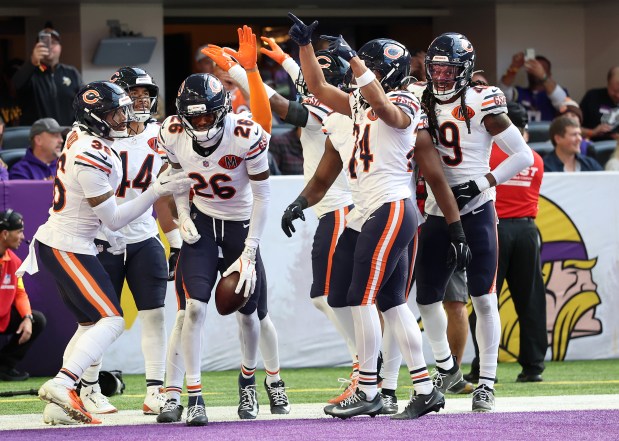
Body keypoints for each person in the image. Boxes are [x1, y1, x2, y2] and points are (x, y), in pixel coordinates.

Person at [287, 14, 470, 420]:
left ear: (380, 72)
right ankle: (424, 387)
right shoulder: (357, 100)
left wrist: (355, 62)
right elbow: (316, 87)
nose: (354, 77)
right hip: (368, 210)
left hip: (390, 208)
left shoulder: (404, 100)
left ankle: (369, 388)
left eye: (362, 69)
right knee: (386, 302)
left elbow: (385, 109)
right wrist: (304, 48)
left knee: (359, 297)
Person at [16, 81, 192, 425]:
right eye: (115, 113)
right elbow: (113, 220)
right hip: (70, 243)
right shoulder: (91, 151)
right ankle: (64, 384)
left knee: (91, 324)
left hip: (78, 242)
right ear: (94, 118)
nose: (124, 118)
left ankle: (57, 406)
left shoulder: (91, 141)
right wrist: (157, 189)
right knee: (111, 320)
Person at [203, 39, 359, 405]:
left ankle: (365, 365)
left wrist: (241, 70)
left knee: (330, 297)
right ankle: (368, 363)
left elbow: (279, 104)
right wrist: (287, 59)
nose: (306, 78)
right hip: (334, 207)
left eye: (316, 73)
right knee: (335, 298)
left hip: (340, 207)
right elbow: (308, 83)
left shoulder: (333, 112)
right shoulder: (336, 100)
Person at [156, 25, 289, 426]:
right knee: (192, 310)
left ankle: (250, 383)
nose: (199, 124)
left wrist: (249, 250)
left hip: (239, 226)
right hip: (201, 220)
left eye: (206, 115)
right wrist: (182, 214)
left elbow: (264, 196)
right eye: (192, 117)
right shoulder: (173, 131)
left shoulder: (245, 133)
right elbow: (178, 178)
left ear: (225, 109)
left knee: (248, 314)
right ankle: (191, 394)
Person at [416, 32, 533, 412]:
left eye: (448, 69)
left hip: (479, 208)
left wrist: (482, 182)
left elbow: (523, 155)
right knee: (427, 298)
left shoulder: (481, 100)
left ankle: (486, 383)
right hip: (436, 209)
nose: (440, 75)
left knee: (483, 297)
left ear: (464, 70)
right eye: (435, 68)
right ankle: (447, 367)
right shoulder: (419, 97)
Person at [72, 67, 176, 416]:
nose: (142, 99)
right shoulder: (93, 137)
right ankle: (88, 387)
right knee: (96, 319)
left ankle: (155, 390)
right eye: (134, 93)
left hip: (144, 235)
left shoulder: (162, 134)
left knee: (155, 315)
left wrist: (175, 239)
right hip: (103, 237)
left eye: (146, 94)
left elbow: (169, 192)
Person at [466, 101, 547, 383]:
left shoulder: (490, 155)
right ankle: (533, 366)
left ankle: (482, 366)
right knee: (531, 299)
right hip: (527, 231)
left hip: (495, 230)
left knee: (484, 297)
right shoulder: (535, 158)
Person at [0, 209, 46, 381]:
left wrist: (27, 317)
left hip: (3, 317)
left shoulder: (15, 262)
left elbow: (20, 293)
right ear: (5, 233)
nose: (22, 236)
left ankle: (4, 366)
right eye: (19, 232)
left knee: (37, 319)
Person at [12, 25, 82, 126]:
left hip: (67, 135)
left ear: (60, 48)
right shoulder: (29, 72)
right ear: (36, 47)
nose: (50, 46)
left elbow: (84, 101)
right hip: (39, 137)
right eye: (45, 43)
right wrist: (32, 62)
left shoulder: (71, 72)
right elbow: (15, 85)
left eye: (54, 42)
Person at [499, 52, 568, 122]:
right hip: (523, 132)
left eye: (541, 68)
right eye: (534, 67)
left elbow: (563, 103)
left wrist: (543, 76)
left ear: (549, 74)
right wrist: (514, 67)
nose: (536, 71)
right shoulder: (520, 92)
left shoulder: (556, 92)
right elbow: (502, 91)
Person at [580, 66, 619, 141]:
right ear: (608, 83)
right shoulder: (592, 96)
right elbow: (573, 128)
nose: (617, 95)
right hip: (594, 146)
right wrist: (593, 132)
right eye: (614, 91)